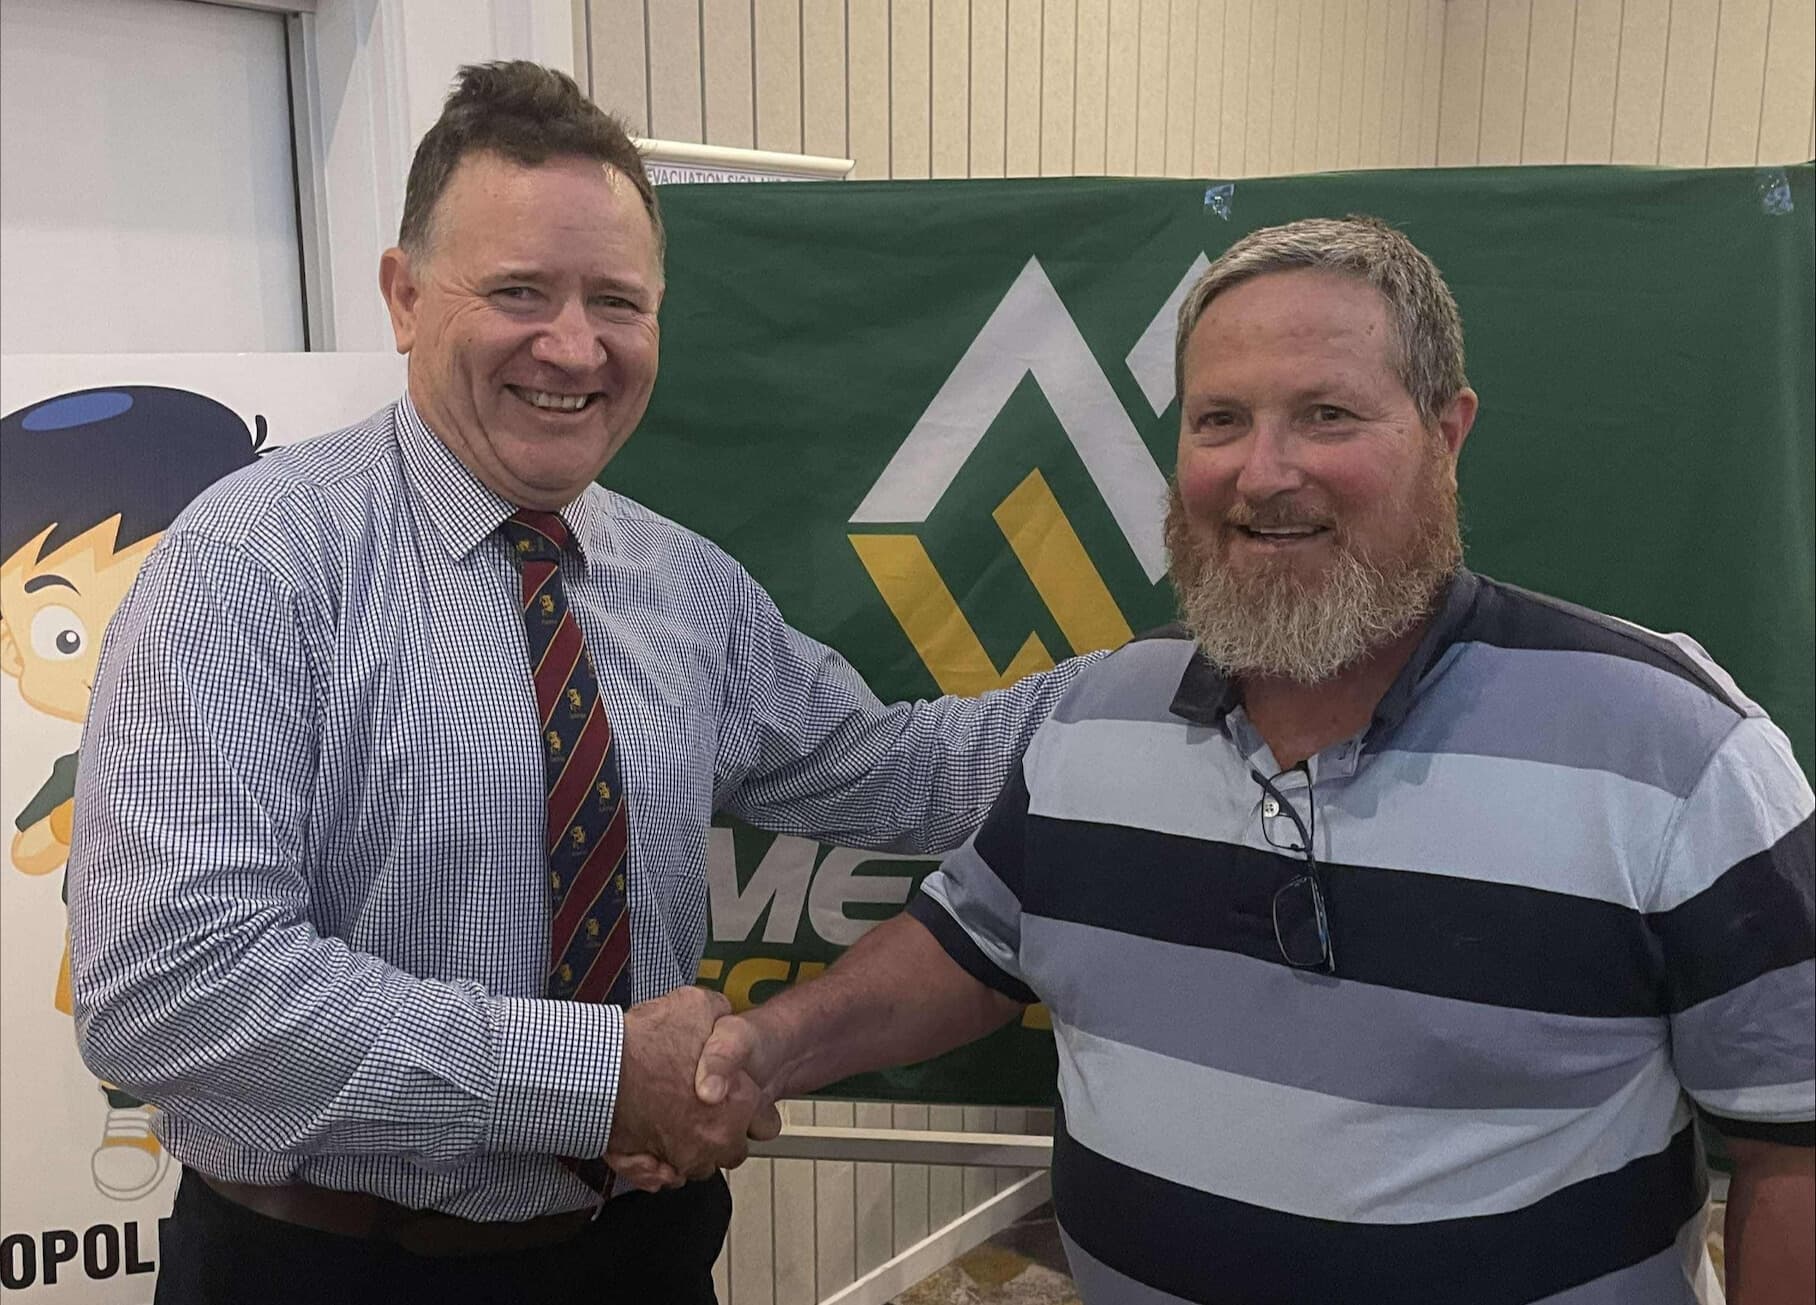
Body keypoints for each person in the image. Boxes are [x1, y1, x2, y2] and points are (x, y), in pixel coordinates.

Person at [65, 63, 1093, 1305]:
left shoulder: (684, 584)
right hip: (324, 1267)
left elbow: (896, 773)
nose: (573, 346)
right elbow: (169, 989)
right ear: (402, 296)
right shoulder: (253, 563)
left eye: (618, 300)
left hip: (641, 1260)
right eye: (517, 292)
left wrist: (1172, 684)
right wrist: (593, 1075)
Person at [690, 216, 1816, 1304]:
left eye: (1326, 415)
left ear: (1446, 431)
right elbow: (968, 949)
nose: (1262, 472)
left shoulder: (1675, 746)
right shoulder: (1096, 713)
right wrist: (763, 1050)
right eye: (1219, 420)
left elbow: (1794, 1146)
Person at [2, 385, 264, 1201]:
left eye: (155, 603)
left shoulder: (264, 727)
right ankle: (129, 1112)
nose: (122, 647)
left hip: (253, 955)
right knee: (129, 1021)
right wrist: (79, 819)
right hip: (113, 933)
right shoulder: (87, 758)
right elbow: (29, 844)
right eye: (64, 633)